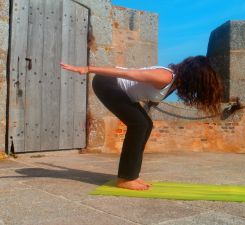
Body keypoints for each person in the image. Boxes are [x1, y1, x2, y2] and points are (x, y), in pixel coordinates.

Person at [60, 55, 223, 191]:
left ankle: (132, 175)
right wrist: (88, 69)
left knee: (146, 124)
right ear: (194, 78)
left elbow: (149, 95)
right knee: (139, 125)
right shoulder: (165, 76)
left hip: (119, 90)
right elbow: (129, 73)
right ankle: (125, 178)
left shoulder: (175, 84)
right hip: (107, 83)